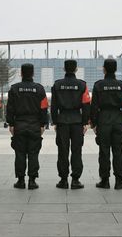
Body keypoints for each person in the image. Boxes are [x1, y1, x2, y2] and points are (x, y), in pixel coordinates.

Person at [6, 63, 48, 190]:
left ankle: (20, 180)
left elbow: (10, 108)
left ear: (21, 73)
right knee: (33, 153)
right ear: (33, 73)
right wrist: (42, 124)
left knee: (20, 153)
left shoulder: (14, 89)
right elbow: (44, 108)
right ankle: (32, 181)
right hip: (35, 124)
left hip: (19, 124)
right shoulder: (40, 89)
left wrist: (11, 124)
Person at [51, 59, 90, 189]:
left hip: (62, 120)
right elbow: (86, 105)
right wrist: (85, 122)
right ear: (76, 69)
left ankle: (63, 180)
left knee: (62, 151)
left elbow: (54, 106)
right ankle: (75, 180)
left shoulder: (57, 85)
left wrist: (55, 121)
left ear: (64, 69)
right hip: (77, 121)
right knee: (76, 150)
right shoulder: (82, 85)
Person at [90, 59, 122, 190]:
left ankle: (105, 180)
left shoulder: (98, 86)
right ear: (115, 69)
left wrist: (94, 124)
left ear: (104, 69)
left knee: (104, 151)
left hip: (103, 121)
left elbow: (94, 106)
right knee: (118, 152)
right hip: (118, 120)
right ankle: (119, 181)